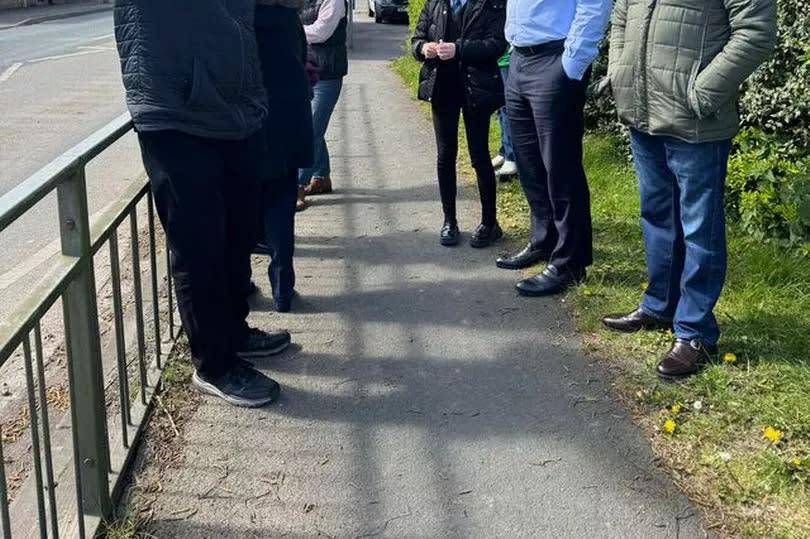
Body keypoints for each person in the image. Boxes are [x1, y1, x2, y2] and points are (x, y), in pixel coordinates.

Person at [114, 1, 290, 408]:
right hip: (176, 112)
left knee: (242, 229)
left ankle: (234, 331)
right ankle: (214, 364)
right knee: (200, 247)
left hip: (236, 109)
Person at [601, 0, 777, 379]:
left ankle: (696, 333)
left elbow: (756, 32)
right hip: (642, 113)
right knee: (657, 216)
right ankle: (659, 305)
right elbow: (620, 17)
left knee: (700, 230)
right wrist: (618, 72)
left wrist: (701, 92)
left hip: (696, 122)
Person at [495, 0, 611, 294]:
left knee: (560, 166)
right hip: (520, 59)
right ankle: (544, 239)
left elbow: (594, 5)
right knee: (528, 162)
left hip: (554, 60)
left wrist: (572, 64)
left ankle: (571, 261)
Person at [412, 0, 507, 248]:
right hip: (443, 88)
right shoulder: (434, 3)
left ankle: (489, 223)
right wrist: (424, 49)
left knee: (479, 155)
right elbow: (417, 39)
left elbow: (497, 44)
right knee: (445, 155)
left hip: (476, 89)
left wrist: (459, 49)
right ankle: (449, 221)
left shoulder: (490, 4)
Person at [254, 0, 316, 312]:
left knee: (243, 208)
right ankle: (282, 290)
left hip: (251, 123)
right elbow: (302, 60)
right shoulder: (289, 17)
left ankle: (241, 287)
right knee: (281, 210)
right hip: (288, 121)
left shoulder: (240, 16)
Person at [297, 0, 349, 211]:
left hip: (327, 73)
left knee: (310, 130)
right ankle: (321, 176)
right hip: (305, 69)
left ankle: (297, 185)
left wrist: (293, 31)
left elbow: (322, 32)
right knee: (312, 125)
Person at [492, 46, 517, 180]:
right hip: (496, 59)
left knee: (508, 108)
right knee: (500, 107)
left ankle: (512, 156)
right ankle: (504, 150)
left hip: (508, 60)